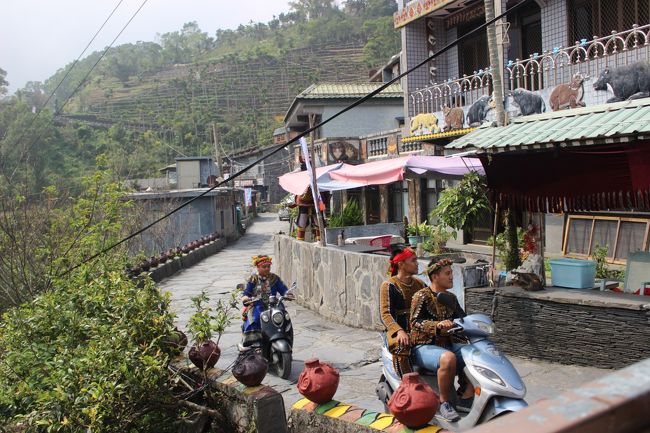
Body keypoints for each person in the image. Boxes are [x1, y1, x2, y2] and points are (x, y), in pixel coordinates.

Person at [409, 258, 474, 422]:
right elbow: (414, 322)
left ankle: (466, 396)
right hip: (423, 346)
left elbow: (462, 318)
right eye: (448, 273)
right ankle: (445, 402)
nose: (452, 277)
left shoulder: (450, 297)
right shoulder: (421, 296)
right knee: (448, 358)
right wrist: (437, 325)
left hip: (448, 343)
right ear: (435, 276)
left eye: (451, 273)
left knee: (475, 353)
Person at [379, 247, 426, 377]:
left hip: (418, 330)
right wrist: (399, 331)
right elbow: (385, 314)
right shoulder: (389, 285)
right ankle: (407, 385)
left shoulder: (420, 284)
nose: (417, 263)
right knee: (402, 347)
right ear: (401, 264)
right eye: (413, 260)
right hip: (397, 332)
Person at [241, 255, 293, 346]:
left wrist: (287, 294)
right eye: (264, 267)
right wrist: (245, 298)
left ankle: (284, 335)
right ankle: (254, 342)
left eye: (268, 266)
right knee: (255, 318)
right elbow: (246, 292)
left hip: (274, 303)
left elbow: (283, 289)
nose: (267, 269)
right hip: (257, 304)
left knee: (282, 315)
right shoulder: (253, 279)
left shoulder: (274, 278)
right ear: (258, 267)